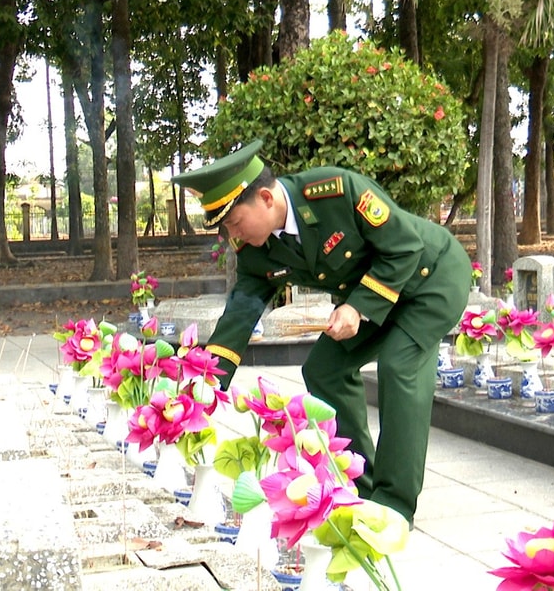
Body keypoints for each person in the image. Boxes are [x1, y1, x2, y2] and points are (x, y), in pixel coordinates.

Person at [172, 140, 471, 527]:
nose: (233, 235)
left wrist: (357, 306)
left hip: (431, 277)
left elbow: (404, 247)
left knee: (400, 366)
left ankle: (393, 509)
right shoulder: (255, 249)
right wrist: (207, 383)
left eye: (234, 222)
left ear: (265, 197)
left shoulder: (336, 191)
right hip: (377, 299)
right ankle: (360, 488)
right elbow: (243, 308)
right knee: (324, 370)